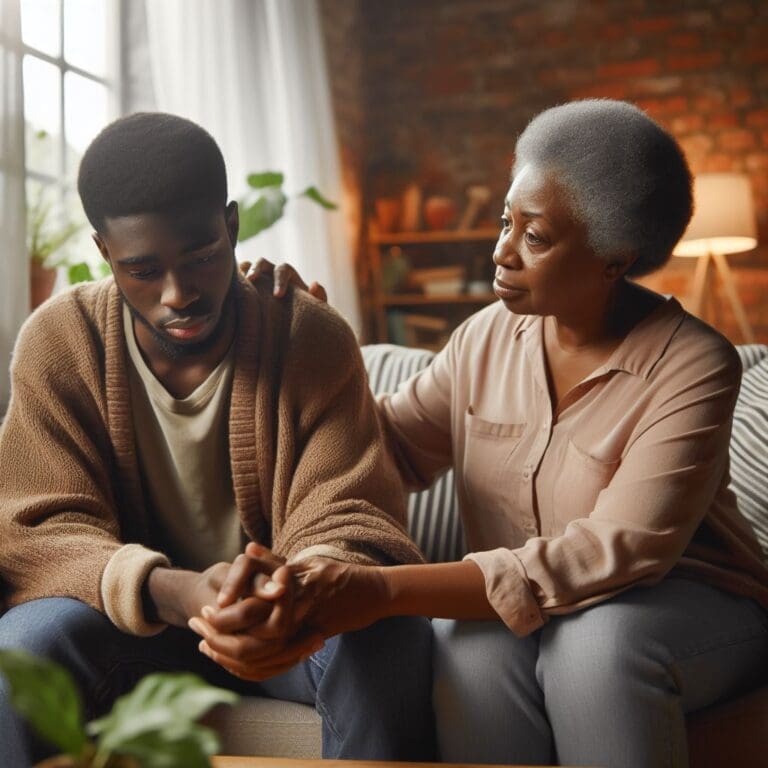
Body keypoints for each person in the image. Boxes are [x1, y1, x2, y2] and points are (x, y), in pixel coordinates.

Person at [216, 99, 768, 767]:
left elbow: (616, 553)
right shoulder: (484, 337)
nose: (501, 251)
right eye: (507, 221)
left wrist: (383, 591)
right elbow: (381, 448)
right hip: (533, 607)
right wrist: (310, 348)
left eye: (535, 237)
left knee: (598, 647)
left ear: (613, 259)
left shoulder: (693, 364)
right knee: (468, 648)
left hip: (689, 604)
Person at [0, 112, 436, 765]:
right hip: (128, 628)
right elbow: (36, 530)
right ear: (102, 252)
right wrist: (174, 591)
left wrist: (291, 592)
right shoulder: (60, 342)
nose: (178, 294)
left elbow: (354, 514)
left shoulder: (308, 336)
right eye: (142, 269)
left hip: (283, 631)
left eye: (202, 257)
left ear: (231, 225)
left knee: (387, 632)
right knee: (24, 649)